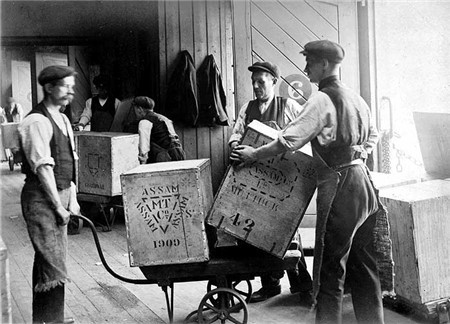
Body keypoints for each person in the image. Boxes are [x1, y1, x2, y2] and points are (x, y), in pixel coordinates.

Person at [231, 40, 384, 324]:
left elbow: (287, 141)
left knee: (329, 270)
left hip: (339, 186)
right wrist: (359, 152)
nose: (305, 68)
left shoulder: (321, 99)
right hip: (364, 185)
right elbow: (373, 133)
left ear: (324, 64)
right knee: (364, 267)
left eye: (310, 62)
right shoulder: (356, 98)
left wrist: (253, 154)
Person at [229, 61, 313, 305]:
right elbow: (236, 134)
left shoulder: (289, 106)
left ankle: (302, 284)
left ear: (274, 82)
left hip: (283, 180)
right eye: (253, 82)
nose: (256, 86)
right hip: (255, 178)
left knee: (288, 232)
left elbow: (305, 133)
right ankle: (270, 285)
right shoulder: (248, 107)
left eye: (261, 82)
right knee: (259, 231)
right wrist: (235, 146)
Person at [19, 65, 80, 324]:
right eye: (65, 86)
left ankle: (46, 319)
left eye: (71, 86)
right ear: (49, 88)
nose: (70, 91)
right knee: (53, 263)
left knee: (51, 260)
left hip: (62, 194)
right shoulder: (36, 121)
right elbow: (43, 169)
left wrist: (72, 199)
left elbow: (71, 161)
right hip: (42, 199)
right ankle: (51, 320)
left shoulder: (64, 119)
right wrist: (58, 206)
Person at [122, 96, 185, 163]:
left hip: (166, 157)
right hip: (179, 154)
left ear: (139, 109)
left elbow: (144, 146)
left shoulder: (145, 122)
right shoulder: (164, 118)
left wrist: (143, 160)